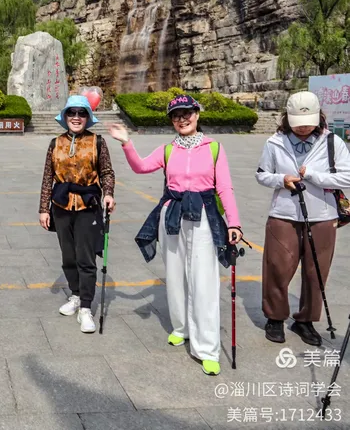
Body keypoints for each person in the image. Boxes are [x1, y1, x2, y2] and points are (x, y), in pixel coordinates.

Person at [108, 94, 242, 376]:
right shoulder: (168, 149)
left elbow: (225, 188)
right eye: (176, 116)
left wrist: (234, 223)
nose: (182, 119)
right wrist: (126, 142)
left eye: (187, 113)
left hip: (203, 215)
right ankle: (181, 328)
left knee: (204, 279)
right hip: (172, 215)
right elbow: (141, 167)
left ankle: (207, 348)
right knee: (175, 274)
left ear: (197, 114)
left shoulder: (214, 148)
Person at [255, 91, 350, 346]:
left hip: (323, 214)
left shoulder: (333, 142)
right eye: (298, 123)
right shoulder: (274, 142)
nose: (304, 128)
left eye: (308, 122)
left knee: (316, 270)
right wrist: (281, 179)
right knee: (277, 266)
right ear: (287, 118)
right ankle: (275, 317)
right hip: (284, 213)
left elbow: (347, 176)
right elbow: (262, 174)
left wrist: (314, 176)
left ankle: (305, 320)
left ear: (319, 116)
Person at [38, 95, 116, 333]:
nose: (76, 117)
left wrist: (108, 193)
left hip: (87, 205)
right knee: (68, 256)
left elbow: (106, 172)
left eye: (81, 113)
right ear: (65, 116)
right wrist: (43, 209)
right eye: (71, 112)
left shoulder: (97, 142)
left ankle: (86, 307)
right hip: (61, 206)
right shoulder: (55, 143)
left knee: (86, 258)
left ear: (87, 117)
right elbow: (48, 177)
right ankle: (75, 294)